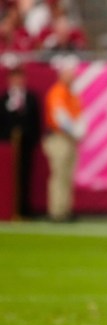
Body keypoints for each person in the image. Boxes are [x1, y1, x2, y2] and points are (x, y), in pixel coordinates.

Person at [42, 54, 84, 223]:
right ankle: (56, 211)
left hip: (68, 139)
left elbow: (78, 115)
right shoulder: (58, 91)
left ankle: (65, 209)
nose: (73, 75)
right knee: (59, 175)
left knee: (66, 175)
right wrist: (76, 131)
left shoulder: (71, 93)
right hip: (58, 138)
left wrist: (79, 131)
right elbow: (60, 117)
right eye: (69, 72)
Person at [0, 65, 41, 219]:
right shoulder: (4, 99)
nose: (17, 81)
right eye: (14, 77)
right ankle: (7, 208)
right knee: (7, 178)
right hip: (7, 147)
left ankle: (24, 209)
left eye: (20, 77)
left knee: (25, 177)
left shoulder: (30, 98)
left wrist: (29, 138)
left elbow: (35, 121)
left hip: (26, 145)